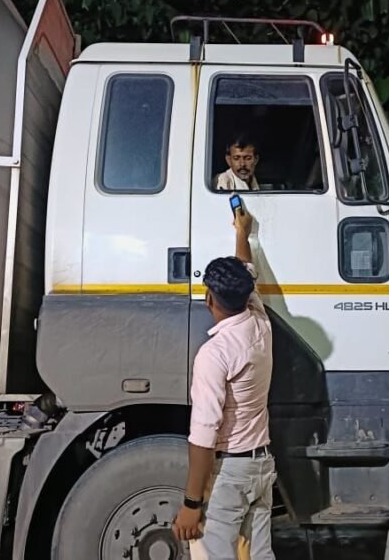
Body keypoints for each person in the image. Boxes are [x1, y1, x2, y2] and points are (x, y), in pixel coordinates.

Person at [173, 205, 275, 559]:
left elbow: (203, 436)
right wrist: (242, 233)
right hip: (262, 465)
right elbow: (248, 270)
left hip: (231, 473)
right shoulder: (260, 323)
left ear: (209, 299)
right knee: (259, 555)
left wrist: (191, 504)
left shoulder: (214, 355)